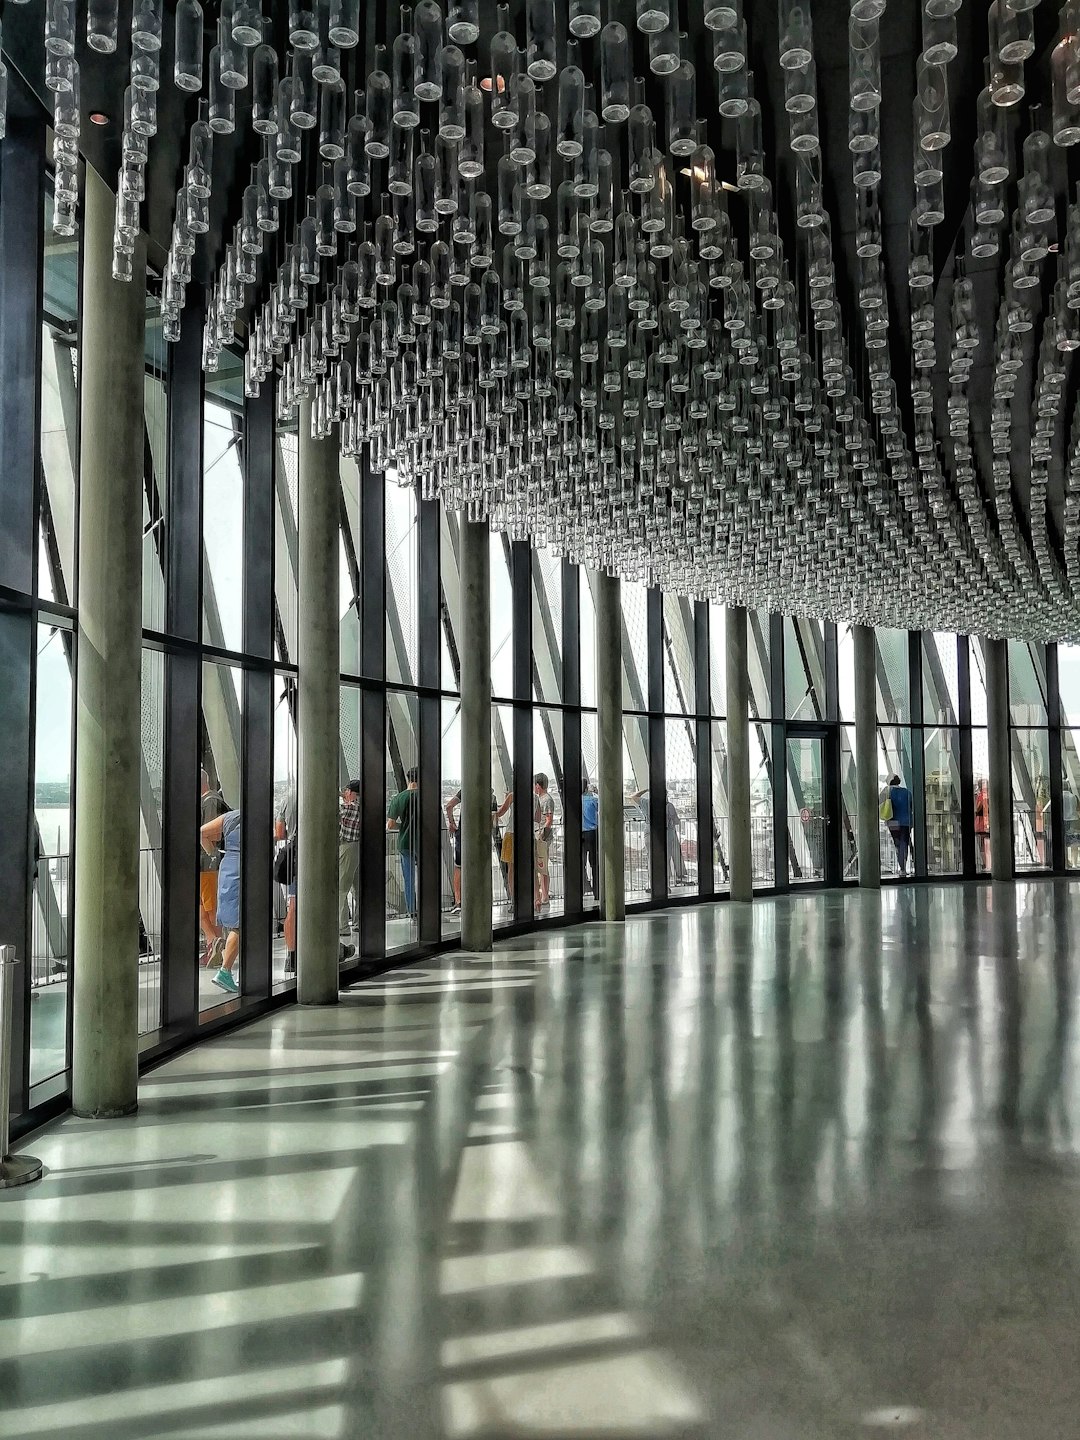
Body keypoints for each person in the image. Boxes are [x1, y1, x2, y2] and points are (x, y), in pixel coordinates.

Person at [201, 807, 241, 994]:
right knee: (239, 924)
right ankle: (225, 971)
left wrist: (214, 853)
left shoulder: (230, 817)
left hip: (227, 867)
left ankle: (228, 962)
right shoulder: (261, 817)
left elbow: (202, 833)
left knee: (231, 920)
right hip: (244, 867)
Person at [445, 787, 499, 914]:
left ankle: (459, 902)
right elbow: (491, 821)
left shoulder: (465, 791)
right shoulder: (492, 797)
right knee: (479, 868)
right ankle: (478, 901)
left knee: (459, 867)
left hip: (463, 835)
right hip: (481, 838)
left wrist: (452, 823)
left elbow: (449, 806)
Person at [199, 768, 228, 969]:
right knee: (205, 908)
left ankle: (214, 948)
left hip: (207, 865)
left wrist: (210, 854)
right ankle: (213, 944)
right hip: (207, 865)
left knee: (209, 909)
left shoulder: (210, 802)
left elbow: (209, 833)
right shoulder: (213, 801)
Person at [387, 767, 420, 917]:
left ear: (408, 779)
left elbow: (390, 824)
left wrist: (404, 826)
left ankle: (412, 912)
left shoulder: (398, 798)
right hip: (423, 842)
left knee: (409, 880)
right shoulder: (426, 797)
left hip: (405, 842)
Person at [339, 778, 362, 935]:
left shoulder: (350, 808)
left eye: (347, 791)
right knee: (358, 888)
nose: (344, 793)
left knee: (341, 886)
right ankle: (359, 921)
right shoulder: (361, 807)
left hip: (348, 847)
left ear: (353, 793)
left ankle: (342, 926)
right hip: (358, 847)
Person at [883, 773, 913, 877]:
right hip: (906, 821)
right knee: (904, 844)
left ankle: (902, 868)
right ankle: (904, 867)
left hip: (893, 821)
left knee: (898, 844)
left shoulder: (888, 792)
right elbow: (911, 806)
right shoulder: (907, 792)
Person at [533, 773, 555, 915]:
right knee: (541, 866)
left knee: (542, 866)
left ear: (538, 786)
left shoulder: (545, 799)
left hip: (542, 837)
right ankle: (543, 895)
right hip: (541, 836)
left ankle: (544, 895)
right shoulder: (542, 799)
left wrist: (541, 836)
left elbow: (548, 819)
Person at [582, 779, 599, 898]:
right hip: (592, 833)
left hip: (579, 834)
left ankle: (582, 889)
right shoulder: (593, 799)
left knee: (580, 863)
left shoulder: (575, 801)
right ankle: (597, 892)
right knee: (594, 863)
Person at [974, 778, 990, 871]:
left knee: (982, 845)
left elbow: (978, 808)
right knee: (986, 844)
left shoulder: (981, 796)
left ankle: (985, 863)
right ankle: (988, 863)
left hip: (981, 823)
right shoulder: (988, 795)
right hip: (986, 822)